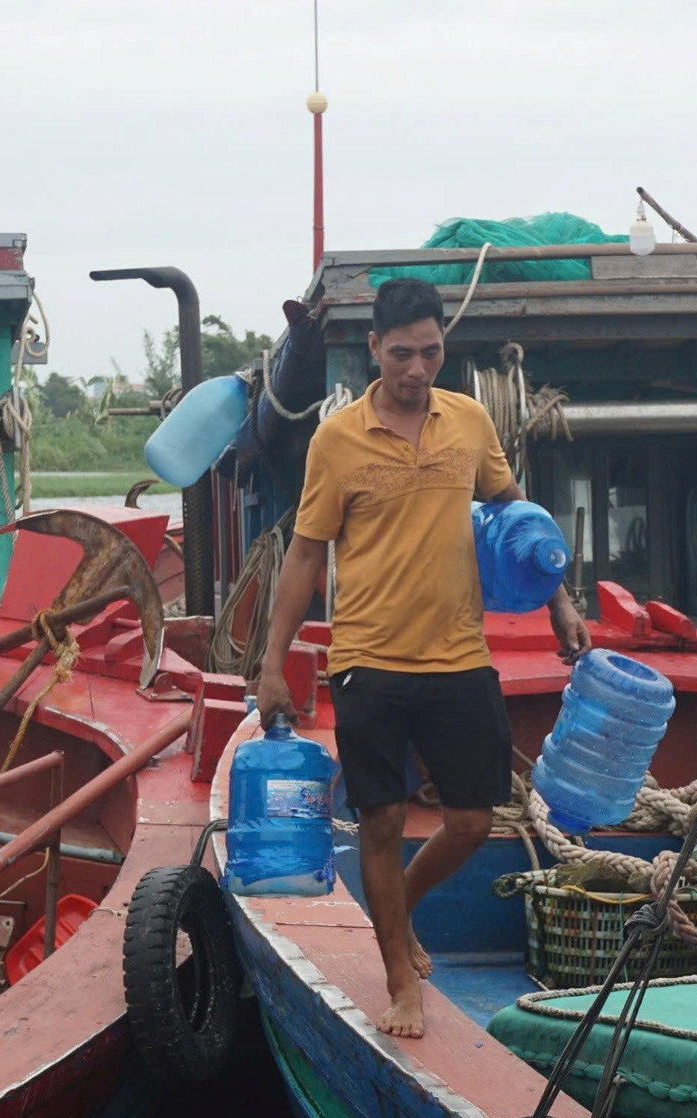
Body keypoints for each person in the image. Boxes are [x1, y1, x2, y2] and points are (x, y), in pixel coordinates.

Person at [255, 277, 590, 1038]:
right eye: (401, 353)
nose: (416, 368)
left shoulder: (468, 422)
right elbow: (305, 554)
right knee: (380, 820)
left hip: (458, 655)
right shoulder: (336, 441)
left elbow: (515, 513)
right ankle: (400, 981)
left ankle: (398, 905)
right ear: (374, 348)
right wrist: (273, 665)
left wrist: (559, 599)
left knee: (473, 819)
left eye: (430, 352)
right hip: (368, 658)